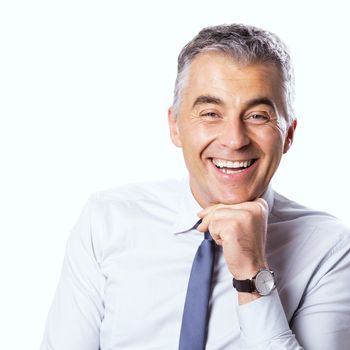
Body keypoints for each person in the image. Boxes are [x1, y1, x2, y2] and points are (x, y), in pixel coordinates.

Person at [40, 24, 350, 349]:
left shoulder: (330, 251)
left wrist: (252, 273)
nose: (234, 139)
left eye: (257, 116)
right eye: (211, 113)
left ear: (289, 134)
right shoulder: (106, 222)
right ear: (175, 126)